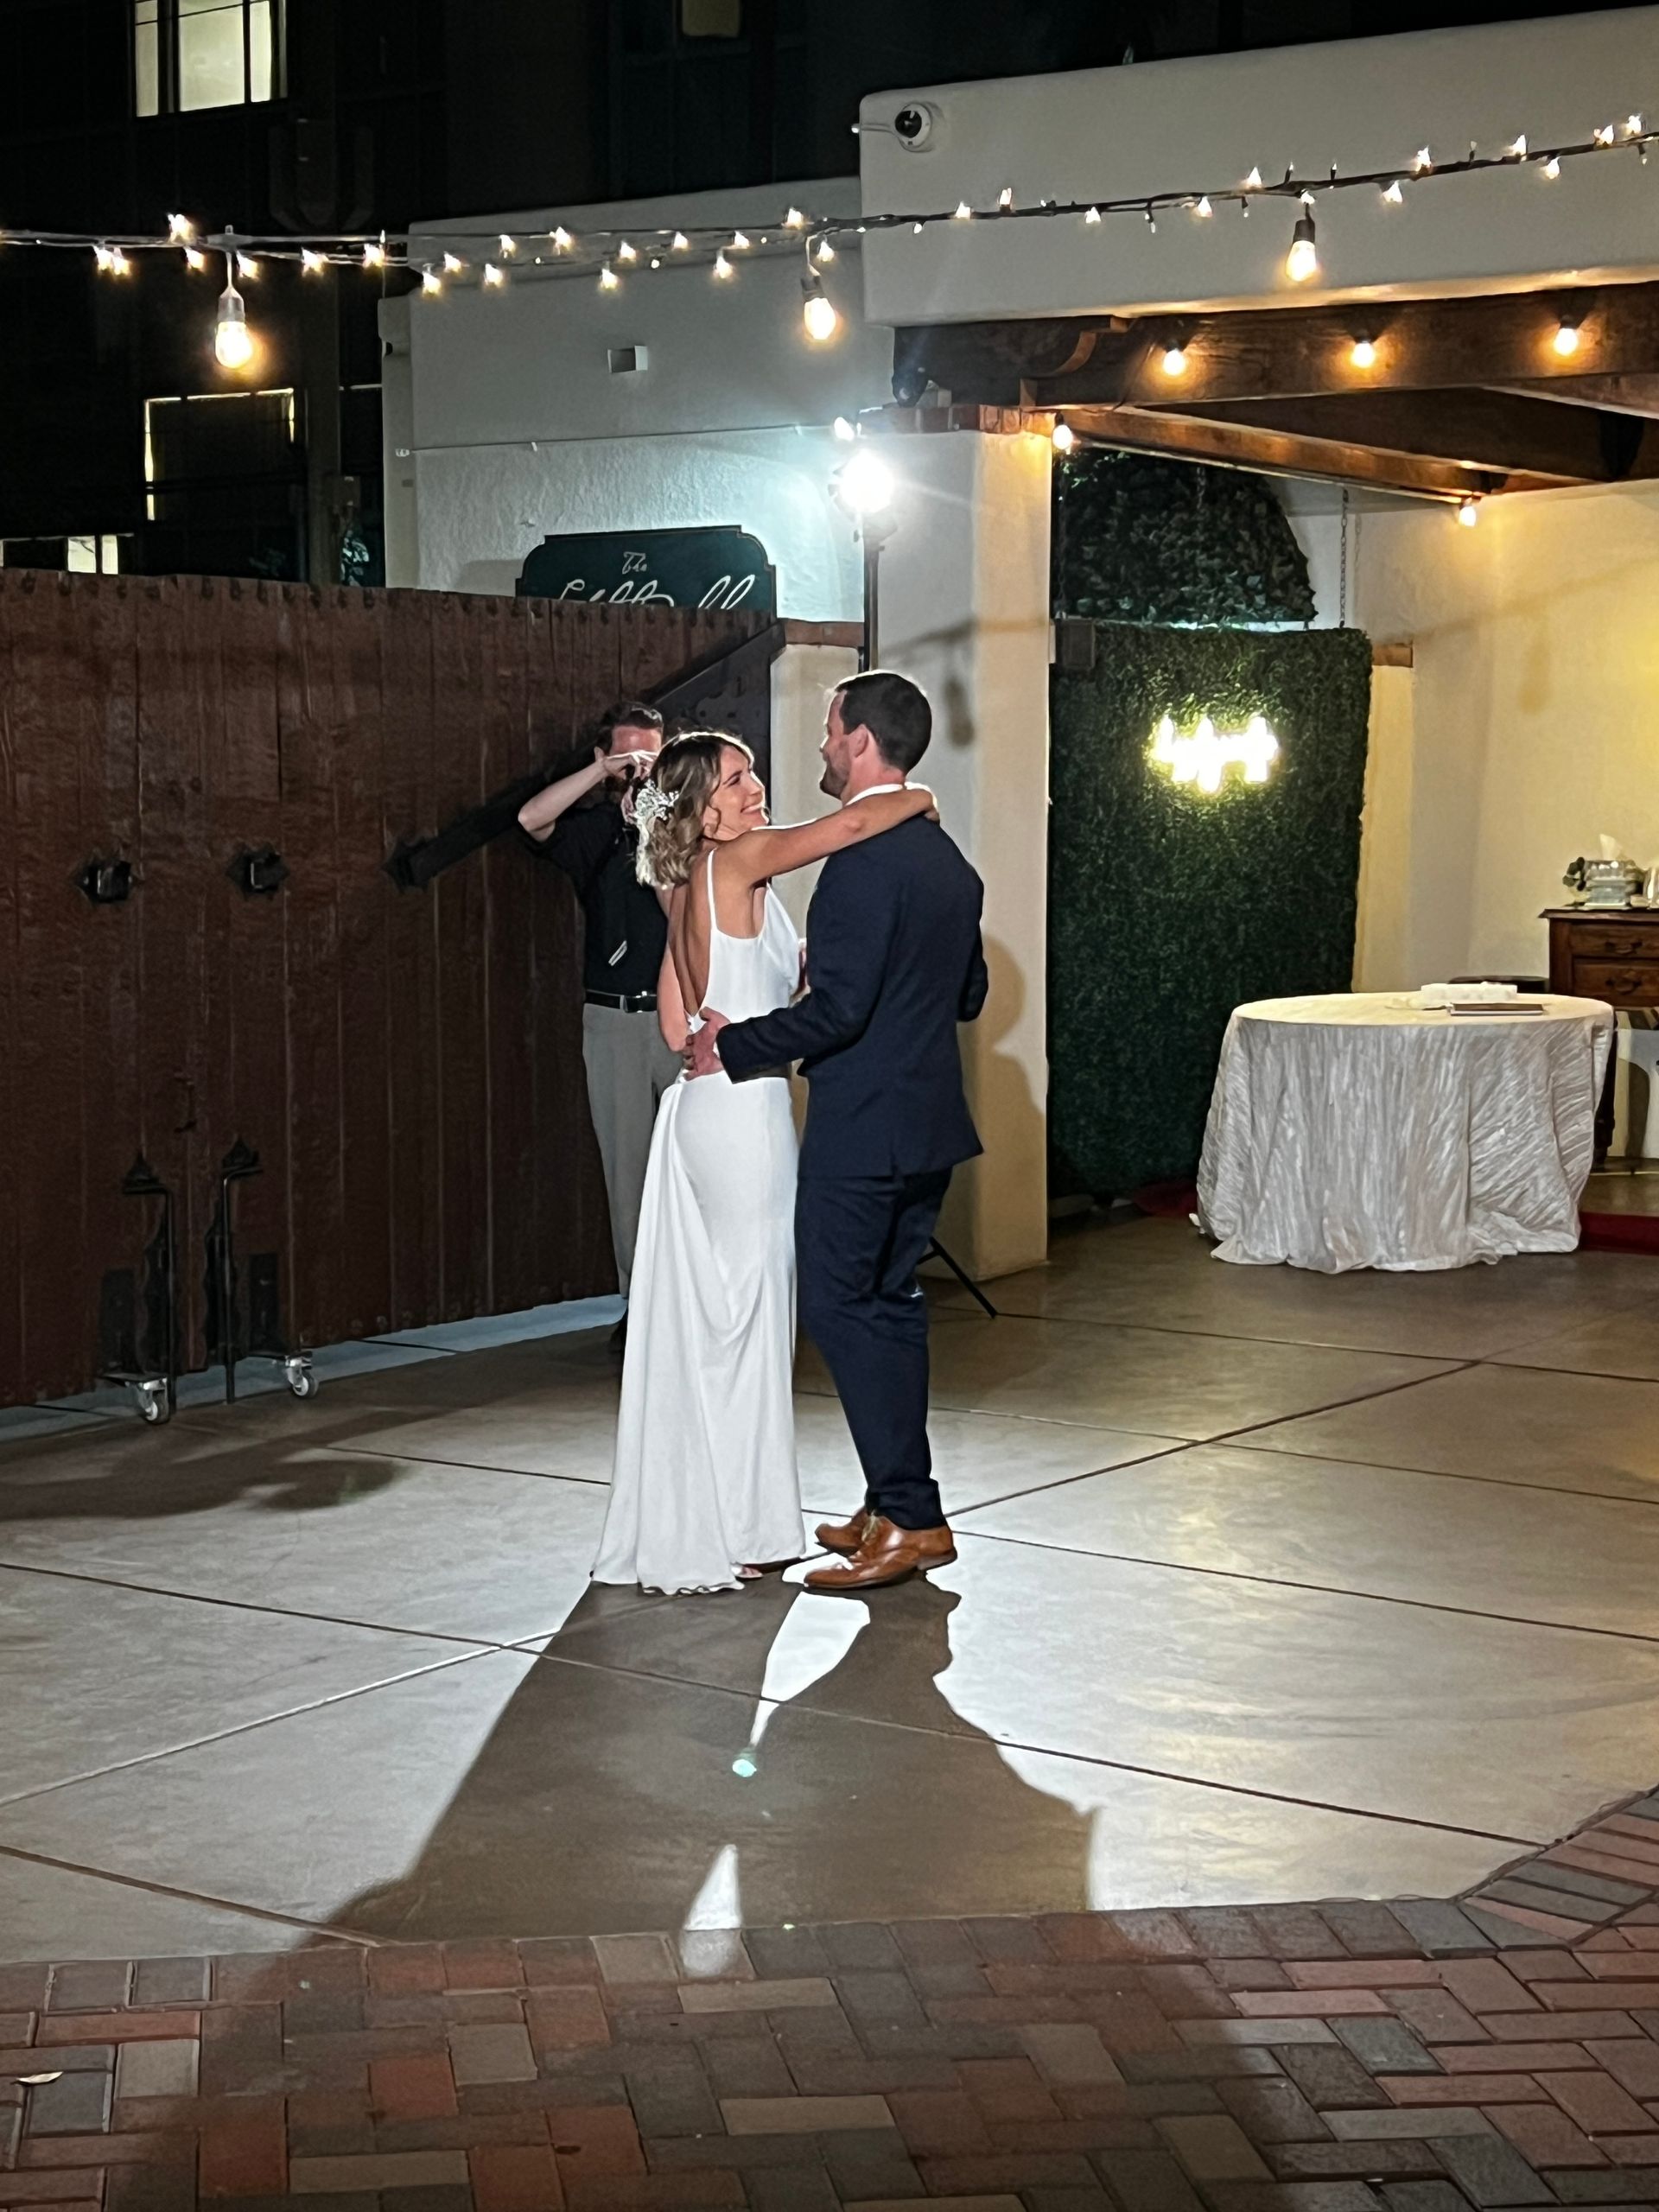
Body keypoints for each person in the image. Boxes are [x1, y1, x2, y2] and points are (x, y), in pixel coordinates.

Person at [591, 731, 936, 1597]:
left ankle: (728, 1513)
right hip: (745, 1116)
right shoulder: (739, 861)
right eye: (736, 782)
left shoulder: (687, 889)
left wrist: (747, 1013)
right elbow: (852, 830)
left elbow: (680, 1033)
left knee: (726, 1314)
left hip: (711, 1108)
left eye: (750, 777)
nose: (755, 791)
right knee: (751, 1316)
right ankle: (743, 1530)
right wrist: (917, 796)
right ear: (704, 810)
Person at [687, 671, 988, 1595]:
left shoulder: (860, 864)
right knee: (888, 1306)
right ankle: (893, 1497)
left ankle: (911, 1514)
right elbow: (968, 995)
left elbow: (840, 1014)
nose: (818, 748)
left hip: (864, 1131)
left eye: (827, 732)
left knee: (842, 1308)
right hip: (931, 1124)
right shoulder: (948, 861)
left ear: (860, 742)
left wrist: (736, 1045)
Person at [518, 702, 677, 1348]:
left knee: (696, 1162)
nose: (640, 768)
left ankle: (698, 1297)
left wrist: (659, 816)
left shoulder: (682, 829)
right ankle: (642, 1306)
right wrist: (600, 777)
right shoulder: (595, 832)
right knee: (628, 1173)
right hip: (614, 1017)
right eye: (627, 757)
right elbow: (531, 819)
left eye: (651, 757)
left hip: (682, 1017)